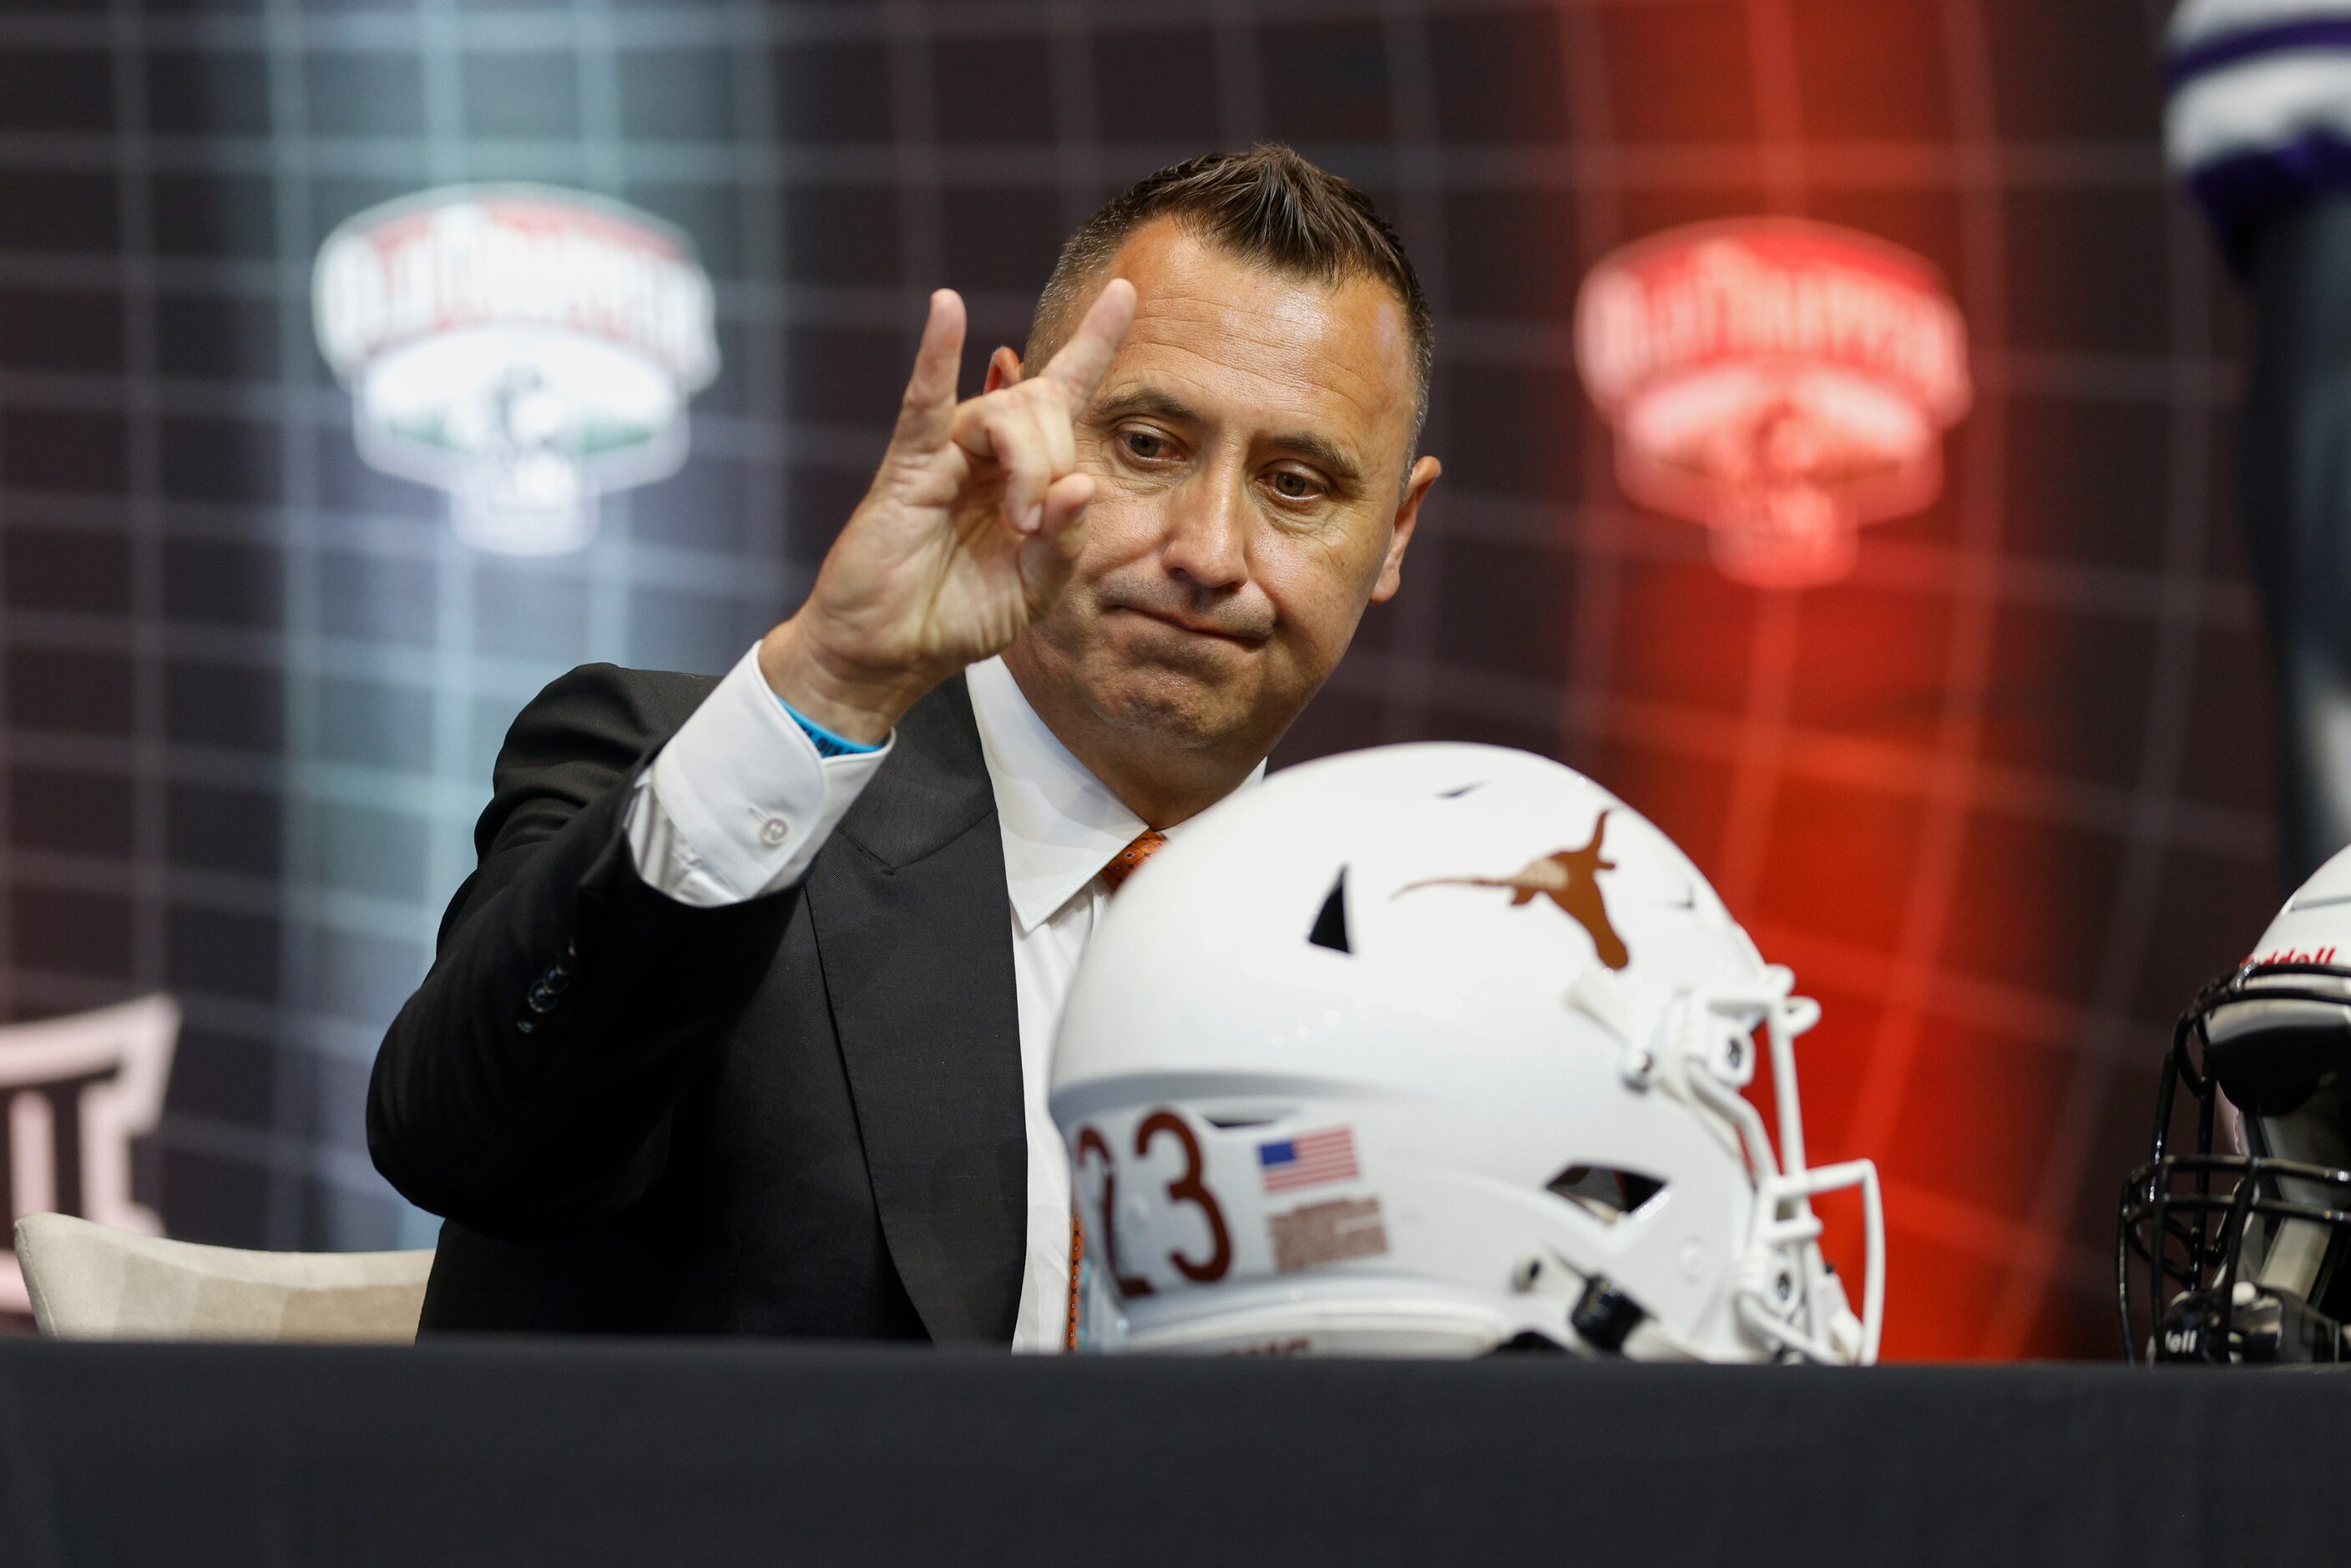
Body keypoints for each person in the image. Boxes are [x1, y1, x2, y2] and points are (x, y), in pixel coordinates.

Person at [366, 145, 1443, 1345]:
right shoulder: (683, 781)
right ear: (1015, 422)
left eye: (1297, 483)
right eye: (1146, 443)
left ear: (1394, 532)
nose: (1207, 549)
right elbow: (465, 1144)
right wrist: (829, 675)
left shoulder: (1428, 975)